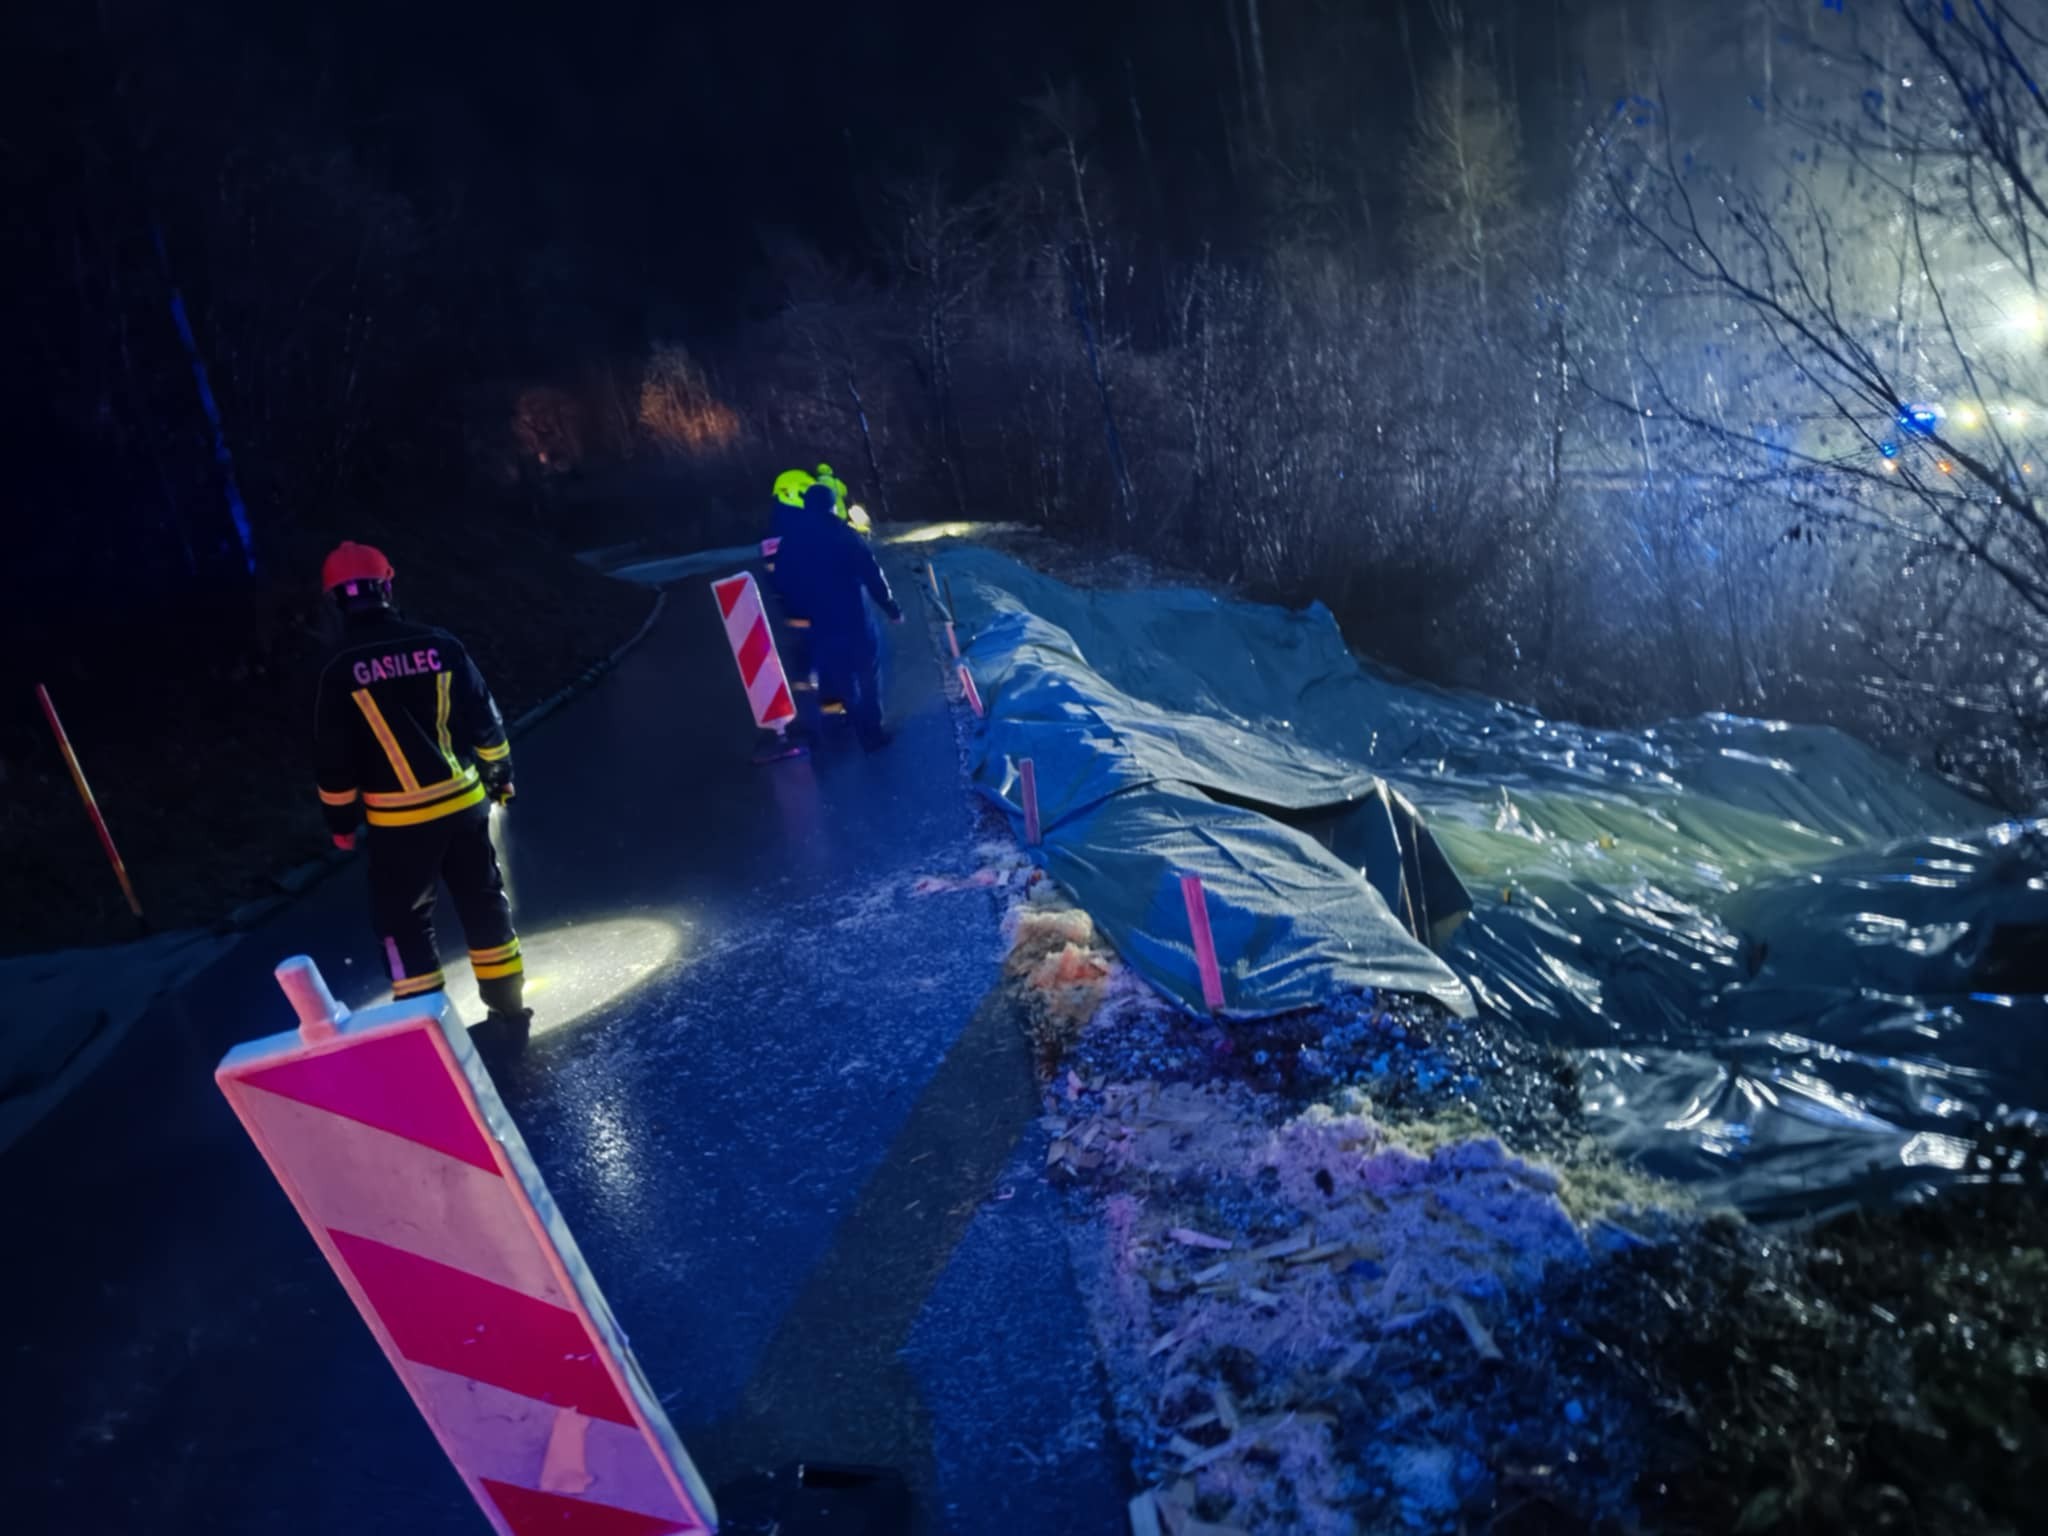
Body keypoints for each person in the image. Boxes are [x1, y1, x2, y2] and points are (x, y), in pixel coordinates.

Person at [312, 542, 530, 1049]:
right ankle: (509, 1010)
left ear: (335, 602)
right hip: (464, 804)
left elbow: (333, 759)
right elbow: (484, 718)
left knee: (403, 923)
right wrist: (500, 775)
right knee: (483, 905)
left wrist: (340, 823)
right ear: (387, 586)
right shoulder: (441, 645)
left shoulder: (337, 670)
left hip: (397, 825)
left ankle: (430, 1030)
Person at [772, 482, 902, 749]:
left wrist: (794, 614)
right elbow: (871, 573)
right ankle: (873, 731)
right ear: (832, 505)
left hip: (820, 624)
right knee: (868, 672)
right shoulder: (845, 534)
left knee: (841, 677)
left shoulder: (790, 542)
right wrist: (891, 608)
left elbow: (781, 582)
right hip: (854, 617)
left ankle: (858, 726)